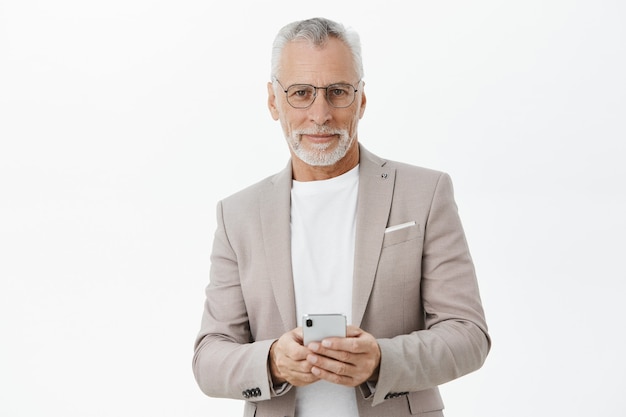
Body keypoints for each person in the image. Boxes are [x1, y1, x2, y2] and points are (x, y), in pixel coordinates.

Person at [193, 17, 490, 417]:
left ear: (361, 99)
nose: (320, 114)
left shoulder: (425, 193)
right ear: (272, 101)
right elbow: (209, 357)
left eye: (337, 92)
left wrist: (382, 360)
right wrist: (272, 363)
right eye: (301, 93)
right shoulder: (238, 214)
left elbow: (469, 334)